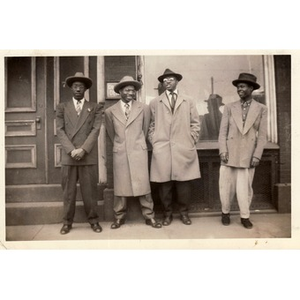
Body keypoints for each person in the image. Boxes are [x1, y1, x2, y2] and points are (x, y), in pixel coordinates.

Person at [105, 76, 161, 229]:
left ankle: (149, 216)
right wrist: (122, 144)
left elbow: (144, 128)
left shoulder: (143, 108)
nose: (131, 93)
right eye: (127, 90)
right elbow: (112, 133)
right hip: (120, 152)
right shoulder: (110, 111)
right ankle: (119, 217)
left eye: (133, 90)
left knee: (143, 185)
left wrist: (136, 143)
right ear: (120, 92)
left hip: (138, 151)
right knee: (121, 186)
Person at [148, 69, 201, 226]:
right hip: (162, 148)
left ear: (177, 81)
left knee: (184, 184)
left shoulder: (188, 100)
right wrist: (155, 141)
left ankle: (184, 214)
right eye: (165, 80)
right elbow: (151, 125)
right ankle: (167, 214)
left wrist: (191, 140)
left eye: (170, 79)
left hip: (183, 148)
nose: (167, 82)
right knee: (165, 185)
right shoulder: (155, 102)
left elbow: (195, 123)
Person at [218, 73, 268, 229]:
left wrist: (257, 155)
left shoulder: (261, 109)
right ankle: (225, 213)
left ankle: (244, 216)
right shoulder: (229, 107)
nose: (239, 89)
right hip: (229, 153)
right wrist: (223, 151)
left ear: (251, 88)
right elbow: (222, 132)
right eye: (238, 86)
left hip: (248, 155)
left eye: (242, 86)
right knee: (226, 186)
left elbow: (263, 135)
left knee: (245, 188)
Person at [56, 72, 103, 234]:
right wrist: (71, 150)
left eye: (81, 86)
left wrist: (83, 149)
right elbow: (60, 130)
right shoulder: (62, 107)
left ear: (85, 89)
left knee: (90, 192)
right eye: (75, 86)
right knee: (68, 192)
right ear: (71, 88)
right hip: (69, 157)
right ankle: (67, 222)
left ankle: (94, 221)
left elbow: (96, 130)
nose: (78, 89)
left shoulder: (95, 107)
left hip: (87, 155)